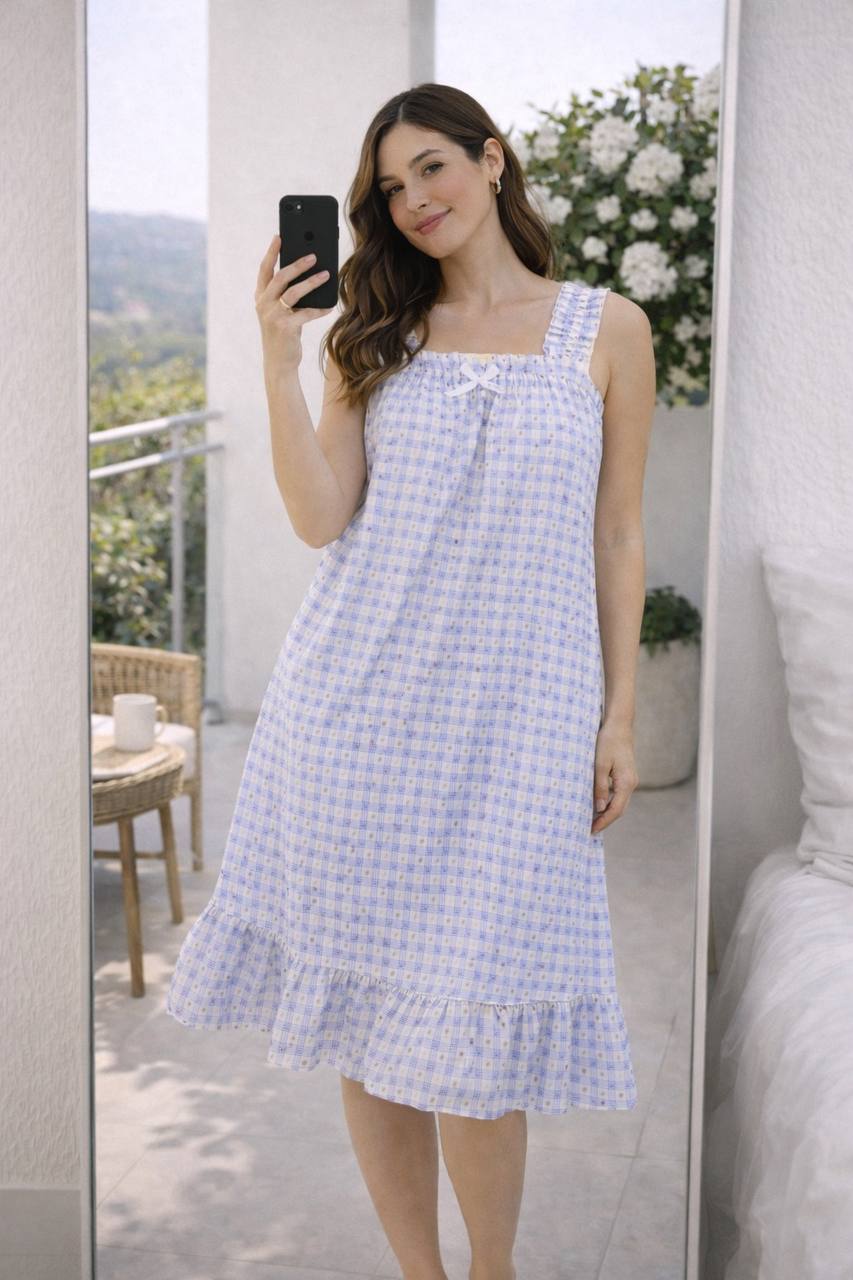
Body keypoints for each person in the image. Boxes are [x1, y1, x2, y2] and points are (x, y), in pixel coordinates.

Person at [167, 81, 656, 1280]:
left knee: (476, 1031)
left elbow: (616, 534)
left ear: (491, 161)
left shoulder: (608, 330)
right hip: (358, 718)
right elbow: (320, 515)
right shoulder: (372, 335)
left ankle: (490, 1271)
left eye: (431, 166)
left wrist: (619, 714)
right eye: (390, 187)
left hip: (521, 729)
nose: (413, 199)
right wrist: (278, 361)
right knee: (372, 1022)